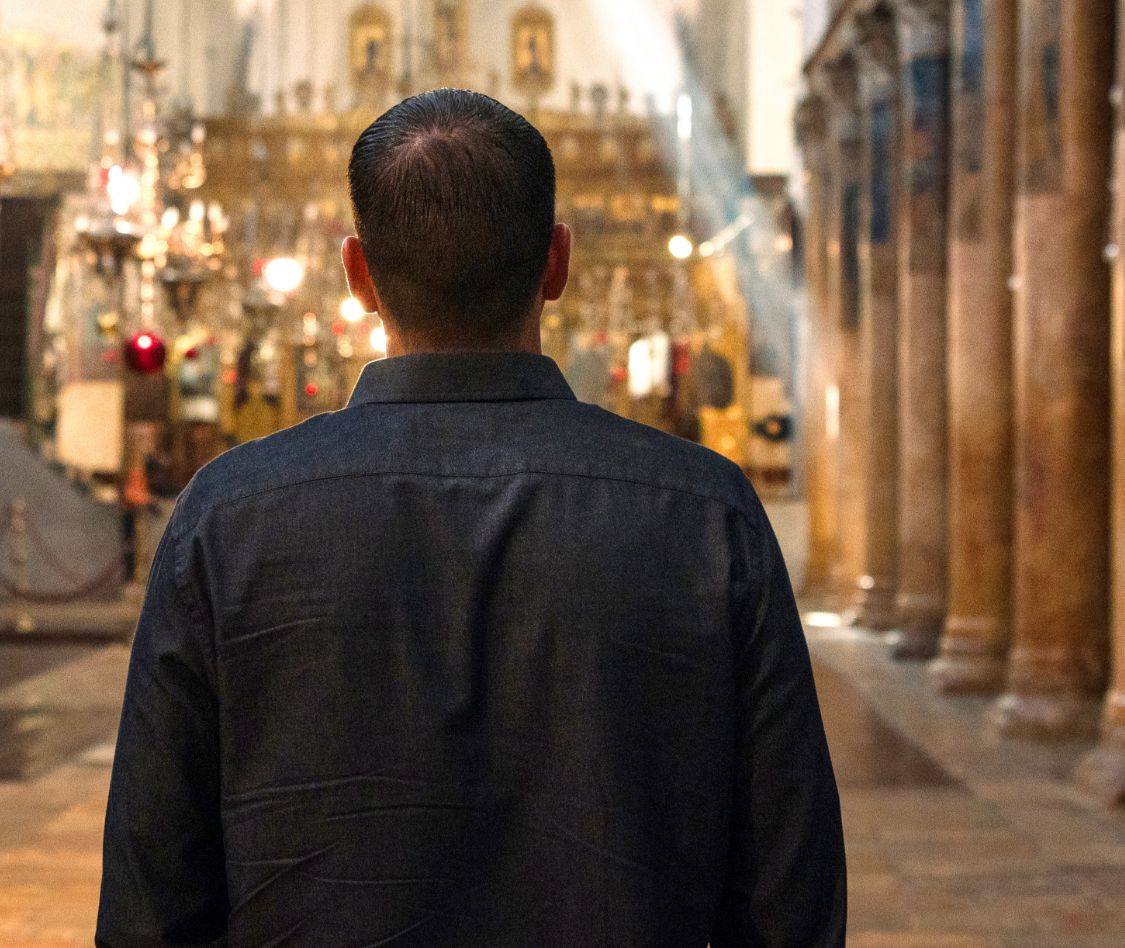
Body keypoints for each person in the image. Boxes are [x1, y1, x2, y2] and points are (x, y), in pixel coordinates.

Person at [97, 89, 846, 947]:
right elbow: (791, 898)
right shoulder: (707, 518)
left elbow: (151, 905)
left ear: (359, 275)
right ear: (557, 263)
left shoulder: (225, 520)